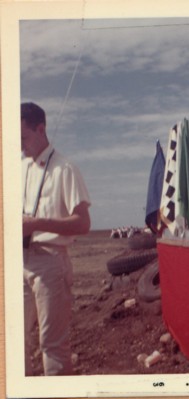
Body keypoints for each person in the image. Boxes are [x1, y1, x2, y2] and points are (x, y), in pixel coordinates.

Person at [21, 102, 91, 375]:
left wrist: (37, 224)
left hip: (51, 264)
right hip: (19, 261)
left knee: (52, 345)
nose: (20, 147)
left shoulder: (65, 169)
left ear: (41, 129)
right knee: (15, 341)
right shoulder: (19, 167)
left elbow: (83, 223)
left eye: (24, 138)